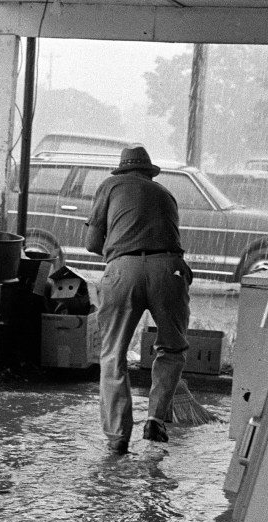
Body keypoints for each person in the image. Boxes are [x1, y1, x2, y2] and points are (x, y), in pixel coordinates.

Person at [85, 145, 192, 455]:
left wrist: (118, 241)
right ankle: (157, 416)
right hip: (169, 269)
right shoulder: (164, 194)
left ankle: (118, 438)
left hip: (123, 270)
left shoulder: (110, 185)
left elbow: (92, 243)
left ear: (122, 170)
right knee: (172, 347)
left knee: (113, 355)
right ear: (148, 172)